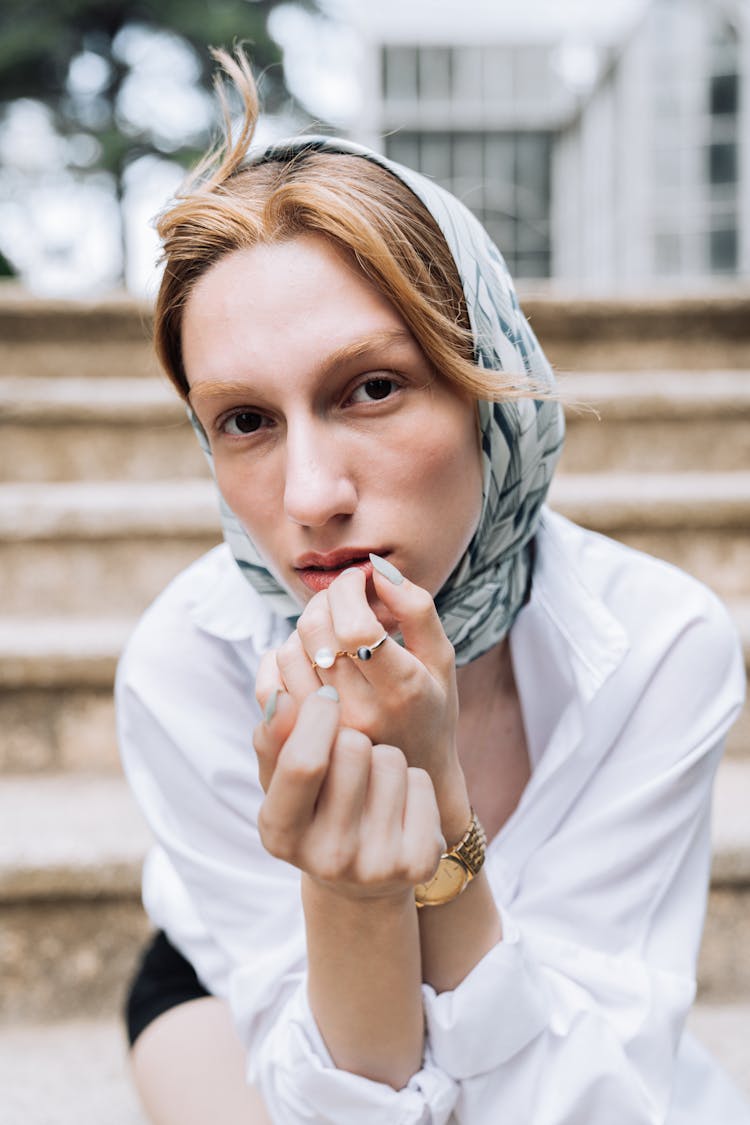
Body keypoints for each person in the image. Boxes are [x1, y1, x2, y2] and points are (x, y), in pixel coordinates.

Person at [116, 49, 748, 1125]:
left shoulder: (656, 643)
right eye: (245, 421)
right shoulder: (190, 666)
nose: (310, 497)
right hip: (235, 984)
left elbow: (584, 1100)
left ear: (485, 386)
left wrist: (438, 809)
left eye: (370, 389)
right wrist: (352, 894)